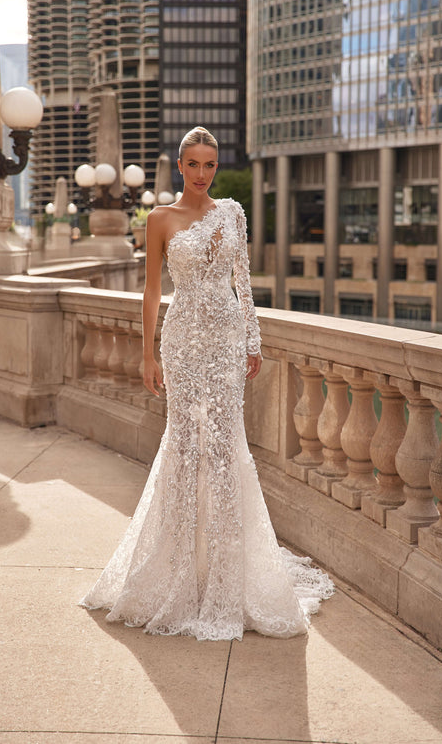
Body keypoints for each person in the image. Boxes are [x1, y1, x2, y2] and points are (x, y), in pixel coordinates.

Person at [80, 127, 334, 639]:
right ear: (180, 166)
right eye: (193, 164)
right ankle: (178, 572)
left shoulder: (232, 213)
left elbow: (243, 280)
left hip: (225, 340)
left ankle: (226, 576)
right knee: (185, 446)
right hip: (181, 343)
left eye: (210, 165)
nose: (202, 174)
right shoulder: (159, 219)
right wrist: (147, 354)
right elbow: (152, 291)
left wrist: (253, 341)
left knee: (223, 448)